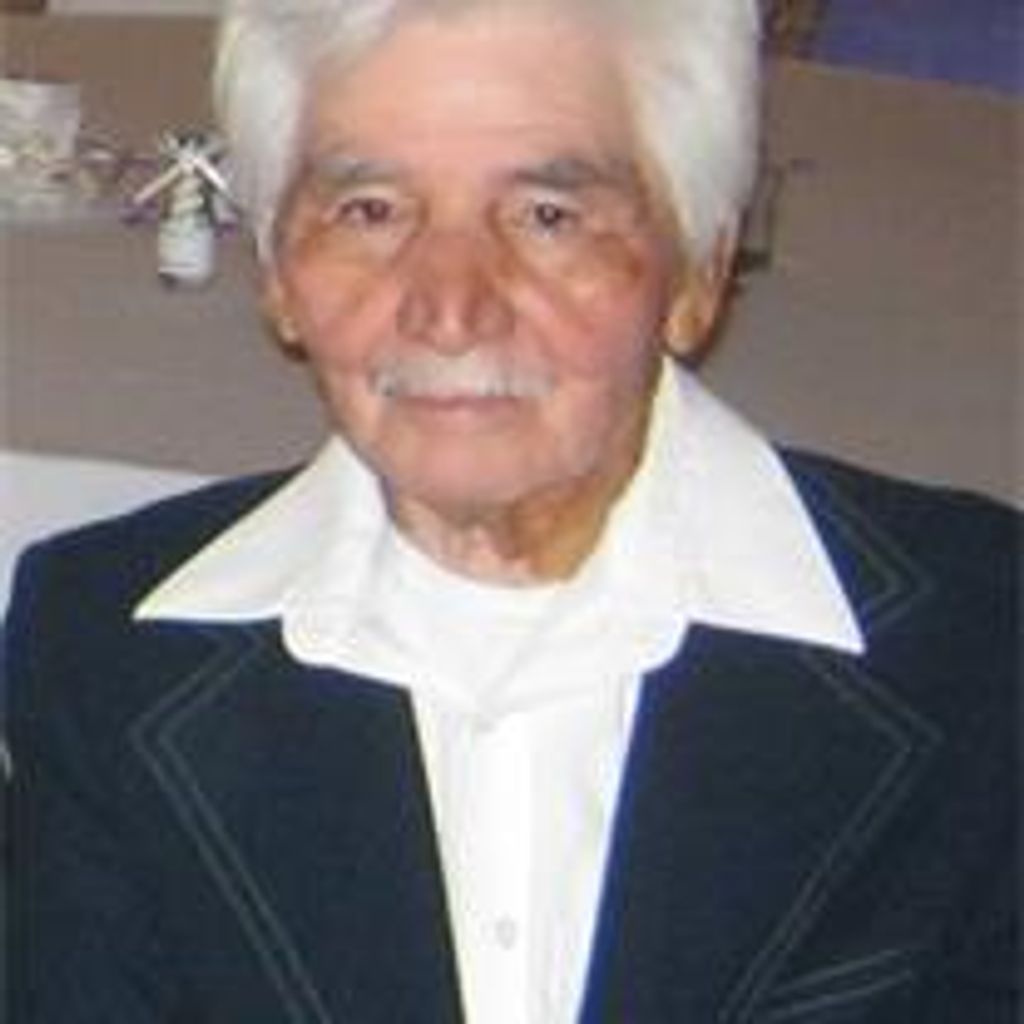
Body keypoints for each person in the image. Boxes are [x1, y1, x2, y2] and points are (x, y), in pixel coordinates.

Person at [6, 0, 1018, 1021]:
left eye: (547, 215)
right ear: (278, 277)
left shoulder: (983, 654)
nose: (450, 307)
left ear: (698, 274)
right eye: (371, 211)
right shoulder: (108, 655)